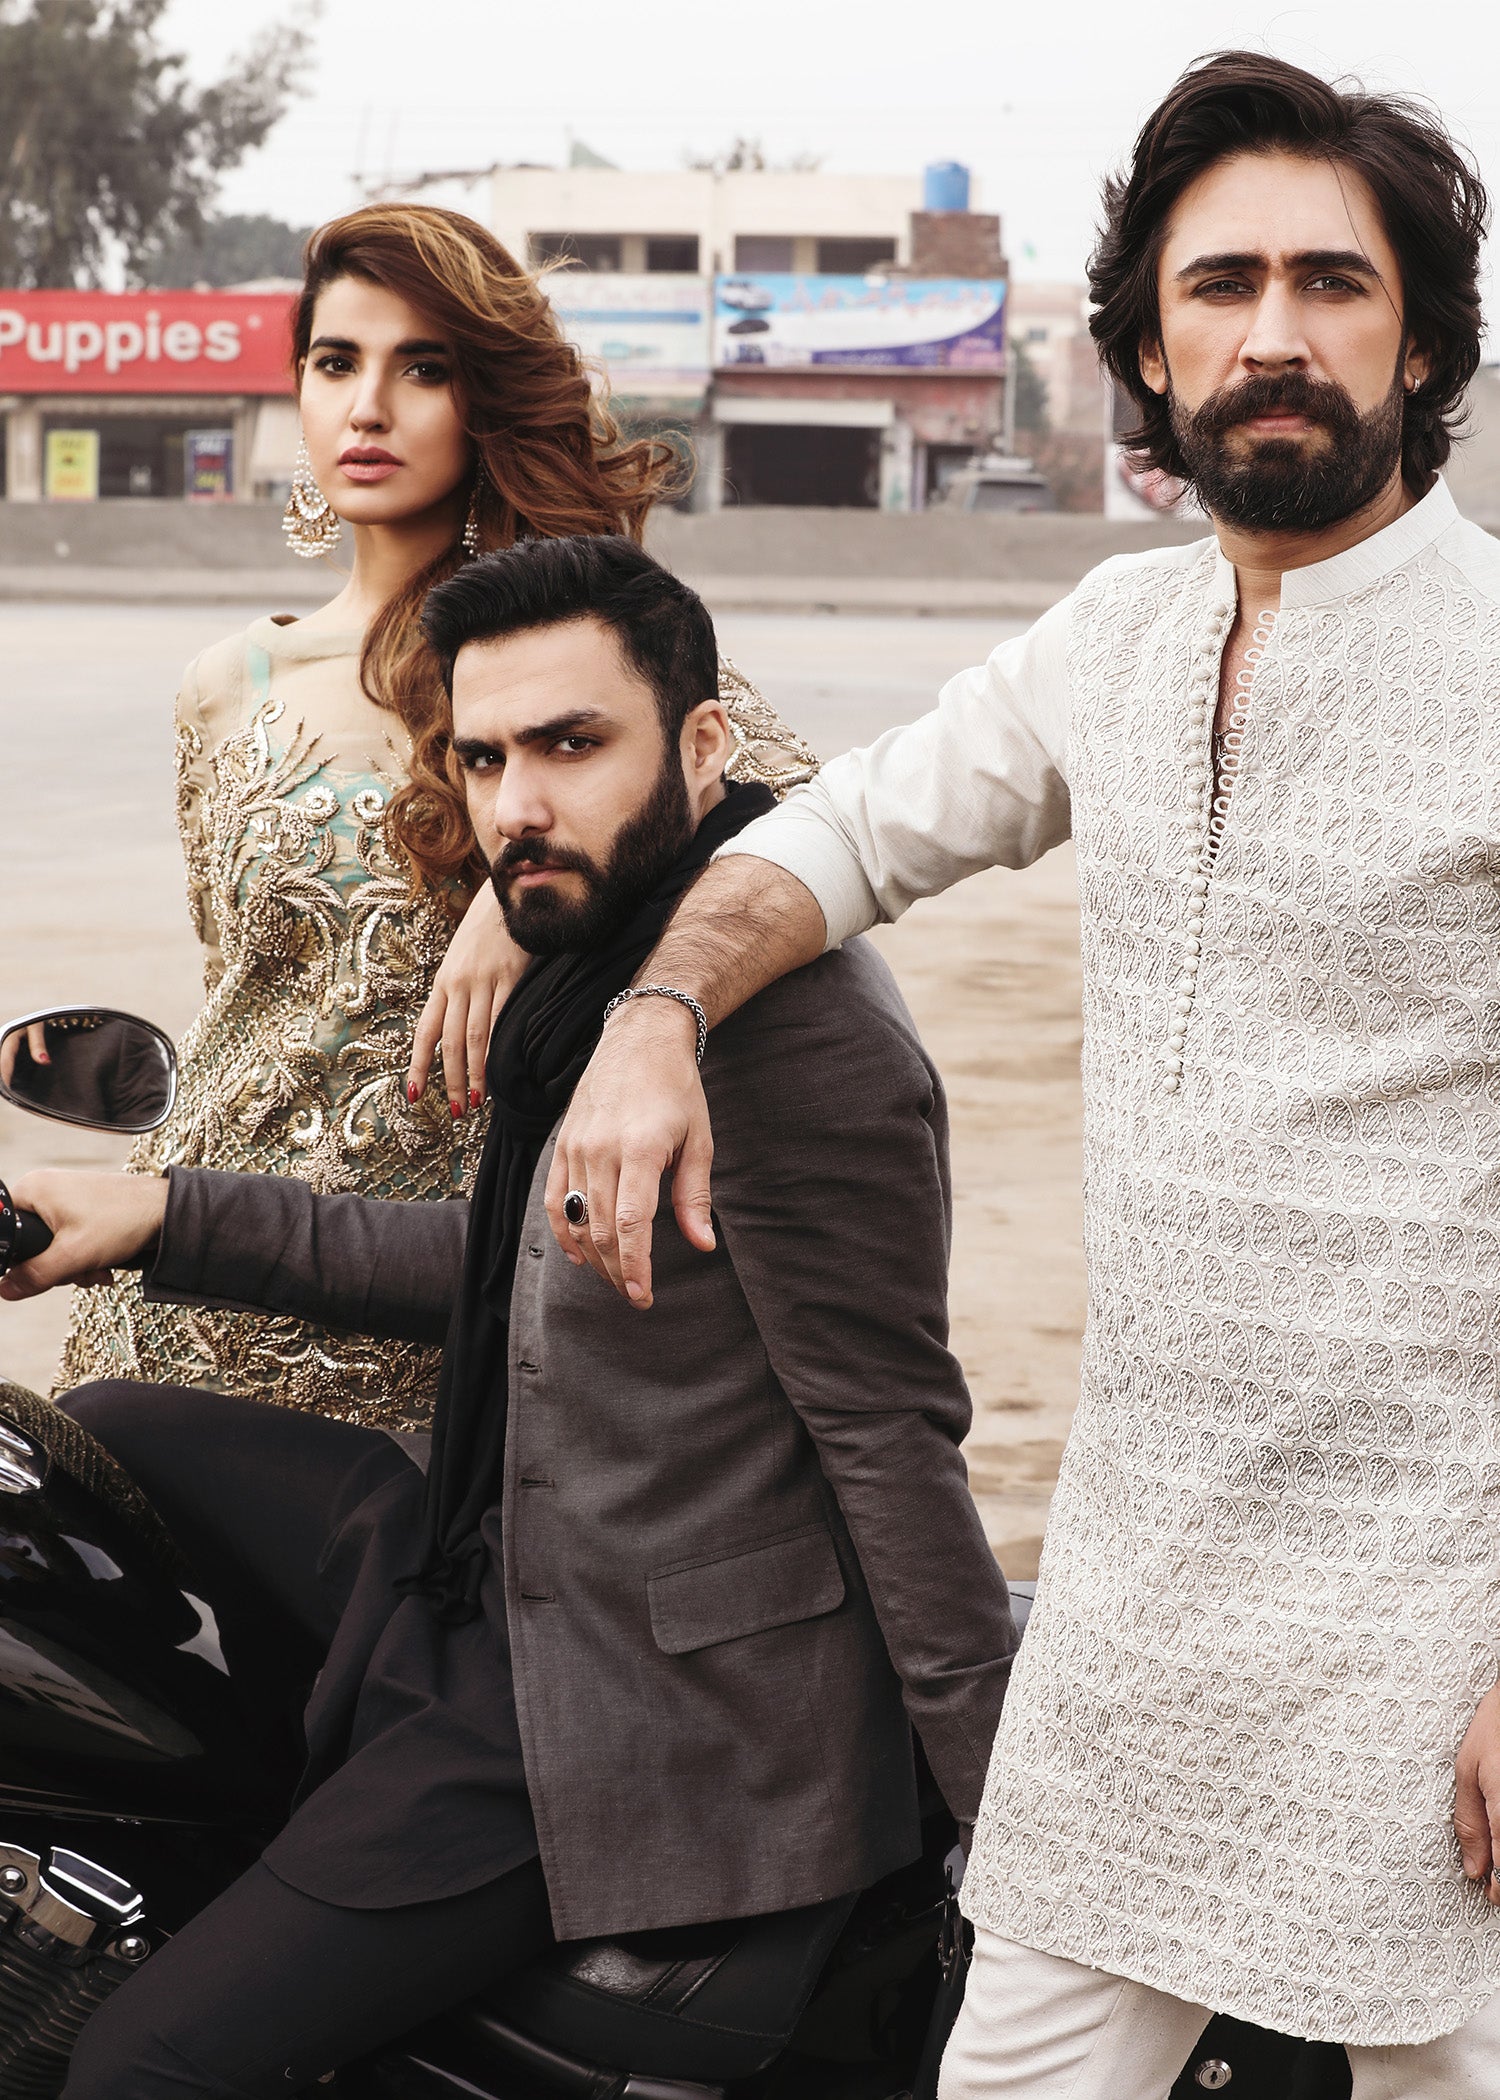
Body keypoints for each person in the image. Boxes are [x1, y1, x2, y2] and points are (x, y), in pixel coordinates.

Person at [545, 51, 1500, 2099]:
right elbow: (841, 831)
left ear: (1421, 340)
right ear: (1146, 348)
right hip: (1139, 1601)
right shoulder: (1115, 639)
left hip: (1442, 1611)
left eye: (1331, 283)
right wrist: (656, 1015)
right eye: (1219, 285)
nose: (1272, 334)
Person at [3, 535, 1016, 2095]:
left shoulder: (797, 1044)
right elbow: (506, 1272)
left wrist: (1009, 1830)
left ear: (701, 747)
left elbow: (894, 1440)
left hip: (626, 1691)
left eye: (570, 745)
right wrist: (154, 1216)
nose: (515, 806)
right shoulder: (603, 975)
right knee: (99, 1436)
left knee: (145, 2066)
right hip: (509, 1534)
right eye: (483, 759)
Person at [56, 202, 814, 1428]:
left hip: (421, 1303)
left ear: (484, 401)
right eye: (335, 363)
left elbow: (804, 825)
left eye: (423, 369)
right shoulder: (225, 685)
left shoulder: (578, 653)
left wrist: (516, 906)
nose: (368, 408)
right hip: (182, 1270)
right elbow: (244, 989)